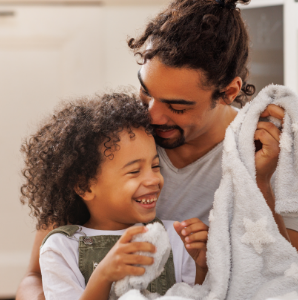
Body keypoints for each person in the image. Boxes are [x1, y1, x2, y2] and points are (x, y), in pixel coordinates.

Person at [15, 1, 298, 298]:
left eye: (177, 107)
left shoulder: (264, 153)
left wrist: (260, 185)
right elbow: (34, 278)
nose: (151, 116)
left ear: (228, 92)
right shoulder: (116, 140)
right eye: (146, 93)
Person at [19, 93, 209, 300]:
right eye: (134, 171)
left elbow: (192, 295)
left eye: (156, 166)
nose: (154, 179)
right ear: (85, 186)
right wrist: (103, 275)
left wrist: (202, 267)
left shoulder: (174, 237)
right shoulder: (61, 248)